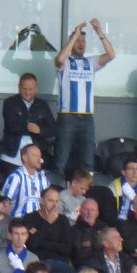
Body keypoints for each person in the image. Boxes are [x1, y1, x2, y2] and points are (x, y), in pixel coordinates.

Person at [54, 18, 116, 175]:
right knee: (61, 159)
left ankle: (86, 195)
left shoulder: (91, 62)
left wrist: (99, 32)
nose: (81, 43)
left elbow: (111, 55)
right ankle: (56, 194)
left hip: (87, 118)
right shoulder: (65, 62)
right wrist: (73, 36)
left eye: (83, 41)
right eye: (77, 41)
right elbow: (59, 59)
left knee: (88, 161)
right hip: (67, 117)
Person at [0, 72, 56, 169]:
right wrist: (28, 127)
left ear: (36, 88)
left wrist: (40, 130)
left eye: (31, 89)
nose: (27, 92)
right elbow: (11, 125)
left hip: (37, 155)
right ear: (19, 87)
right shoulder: (9, 102)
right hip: (12, 154)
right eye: (24, 89)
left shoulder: (42, 104)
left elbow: (53, 128)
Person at [1, 142, 49, 220]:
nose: (39, 159)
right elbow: (5, 201)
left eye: (40, 156)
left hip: (39, 223)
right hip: (19, 222)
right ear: (25, 158)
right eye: (34, 155)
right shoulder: (16, 177)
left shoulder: (43, 179)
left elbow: (48, 202)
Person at [110, 158, 137, 222]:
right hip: (117, 222)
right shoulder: (113, 188)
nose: (135, 172)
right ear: (123, 172)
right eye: (131, 169)